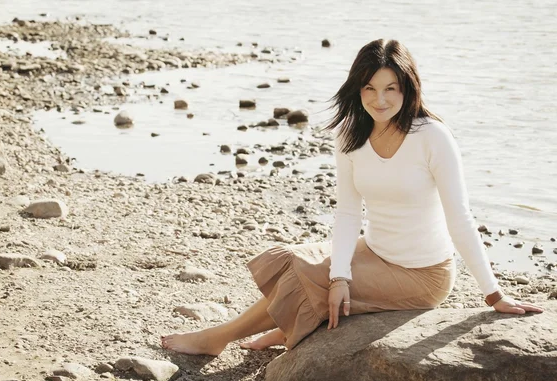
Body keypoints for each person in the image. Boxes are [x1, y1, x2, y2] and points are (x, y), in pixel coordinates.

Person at [161, 38, 543, 356]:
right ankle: (287, 325)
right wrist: (341, 275)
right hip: (372, 250)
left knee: (309, 278)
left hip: (422, 274)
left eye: (390, 88)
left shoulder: (432, 137)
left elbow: (459, 217)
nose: (380, 99)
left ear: (407, 87)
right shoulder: (349, 135)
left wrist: (493, 296)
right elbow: (347, 213)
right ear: (357, 88)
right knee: (295, 261)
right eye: (370, 88)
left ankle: (219, 337)